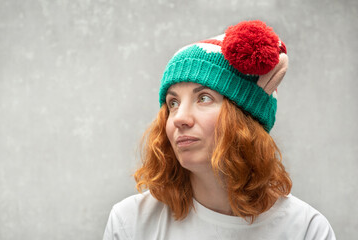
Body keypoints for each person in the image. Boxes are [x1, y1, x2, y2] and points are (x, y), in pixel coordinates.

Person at [103, 20, 336, 240]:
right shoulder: (130, 223)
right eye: (173, 103)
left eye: (204, 98)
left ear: (245, 120)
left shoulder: (306, 229)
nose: (180, 118)